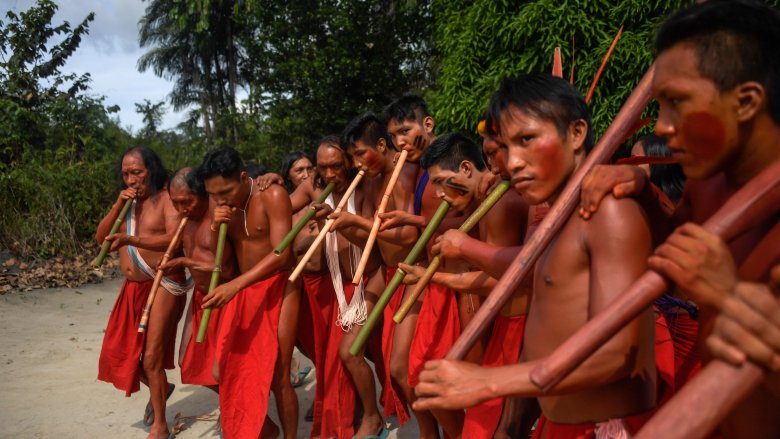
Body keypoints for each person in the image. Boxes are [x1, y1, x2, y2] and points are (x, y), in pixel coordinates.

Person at [414, 74, 657, 439]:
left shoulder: (607, 211)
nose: (512, 163)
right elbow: (534, 281)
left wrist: (490, 381)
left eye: (527, 140)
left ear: (576, 134)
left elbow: (616, 356)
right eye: (506, 148)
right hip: (557, 419)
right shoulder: (560, 215)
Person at [576, 1, 780, 436]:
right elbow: (678, 244)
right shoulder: (706, 184)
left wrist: (730, 297)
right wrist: (644, 192)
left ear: (746, 101)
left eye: (676, 104)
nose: (663, 128)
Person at [399, 132, 538, 439]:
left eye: (440, 182)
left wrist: (458, 252)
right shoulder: (482, 202)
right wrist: (431, 277)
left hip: (521, 328)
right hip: (504, 326)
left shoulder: (500, 203)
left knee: (499, 427)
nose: (439, 194)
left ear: (465, 169)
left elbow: (509, 280)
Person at [382, 95, 470, 438]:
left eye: (405, 131)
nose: (400, 142)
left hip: (452, 282)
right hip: (423, 277)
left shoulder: (451, 160)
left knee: (428, 375)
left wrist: (416, 222)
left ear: (428, 125)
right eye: (393, 136)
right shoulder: (415, 169)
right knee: (401, 370)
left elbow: (464, 219)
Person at [197, 146, 296, 439]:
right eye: (213, 194)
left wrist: (237, 285)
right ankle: (266, 428)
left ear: (242, 177)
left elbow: (281, 254)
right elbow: (223, 263)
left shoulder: (272, 195)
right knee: (223, 369)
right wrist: (216, 226)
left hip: (281, 286)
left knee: (280, 375)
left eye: (225, 191)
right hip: (244, 289)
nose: (220, 199)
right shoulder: (222, 207)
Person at [332, 112, 421, 434]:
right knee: (350, 350)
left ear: (381, 145)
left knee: (402, 366)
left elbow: (410, 235)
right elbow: (372, 238)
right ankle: (372, 416)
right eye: (352, 157)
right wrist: (339, 224)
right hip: (386, 272)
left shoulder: (405, 172)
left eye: (360, 153)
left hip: (415, 272)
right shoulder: (370, 182)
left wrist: (356, 222)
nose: (357, 163)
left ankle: (436, 428)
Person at [95, 146, 190, 439]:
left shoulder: (165, 199)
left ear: (151, 169)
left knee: (150, 359)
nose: (131, 179)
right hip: (131, 289)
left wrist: (131, 238)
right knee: (117, 355)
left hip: (163, 283)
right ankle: (161, 388)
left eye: (137, 172)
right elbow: (102, 240)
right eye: (125, 174)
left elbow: (177, 239)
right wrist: (116, 207)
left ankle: (161, 425)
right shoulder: (126, 204)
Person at [160, 168, 237, 395]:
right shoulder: (184, 220)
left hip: (223, 297)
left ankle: (235, 407)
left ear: (202, 194)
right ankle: (229, 400)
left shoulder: (218, 217)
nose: (181, 209)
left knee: (223, 367)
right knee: (187, 361)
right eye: (175, 203)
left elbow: (227, 269)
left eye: (187, 202)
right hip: (200, 299)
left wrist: (185, 262)